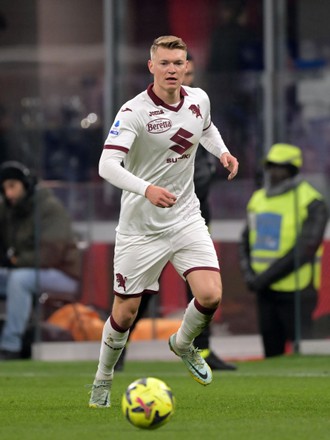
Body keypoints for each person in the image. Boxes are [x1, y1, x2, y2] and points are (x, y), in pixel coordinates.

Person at [88, 35, 239, 408]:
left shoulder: (198, 99)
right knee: (124, 313)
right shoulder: (133, 111)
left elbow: (204, 128)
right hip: (140, 228)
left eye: (179, 63)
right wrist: (146, 189)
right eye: (165, 63)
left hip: (185, 216)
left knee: (210, 295)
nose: (173, 70)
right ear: (151, 67)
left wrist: (222, 152)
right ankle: (102, 380)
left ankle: (183, 343)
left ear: (187, 66)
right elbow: (106, 165)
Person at [114, 52, 237, 372]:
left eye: (187, 70)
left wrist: (221, 155)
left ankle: (201, 348)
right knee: (141, 292)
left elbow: (208, 138)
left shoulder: (197, 106)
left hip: (191, 212)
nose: (181, 75)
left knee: (202, 288)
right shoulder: (145, 112)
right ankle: (119, 348)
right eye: (172, 67)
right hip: (152, 215)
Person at [238, 144, 328, 357]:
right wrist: (249, 274)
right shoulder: (258, 198)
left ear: (293, 170)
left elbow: (306, 249)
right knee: (271, 352)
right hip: (264, 288)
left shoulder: (311, 201)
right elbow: (245, 239)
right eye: (270, 166)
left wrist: (262, 279)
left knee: (303, 352)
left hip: (297, 289)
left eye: (280, 167)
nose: (274, 172)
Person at [0, 161, 82, 360]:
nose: (8, 193)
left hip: (63, 274)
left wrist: (15, 261)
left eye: (12, 186)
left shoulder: (48, 207)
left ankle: (10, 347)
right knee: (17, 277)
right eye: (4, 188)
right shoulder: (9, 209)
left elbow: (50, 254)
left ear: (25, 184)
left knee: (20, 280)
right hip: (25, 269)